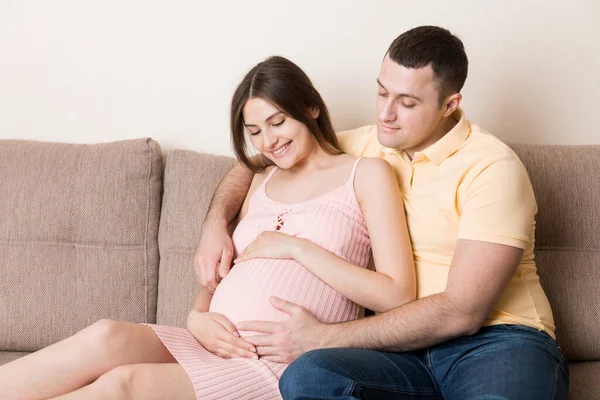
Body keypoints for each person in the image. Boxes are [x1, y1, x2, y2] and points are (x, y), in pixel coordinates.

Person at [0, 56, 416, 400]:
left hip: (273, 363)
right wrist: (197, 314)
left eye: (277, 122)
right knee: (104, 337)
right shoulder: (261, 179)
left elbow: (398, 293)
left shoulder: (366, 174)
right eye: (254, 132)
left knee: (123, 385)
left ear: (311, 108)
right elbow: (225, 274)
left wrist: (296, 248)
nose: (268, 141)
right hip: (207, 340)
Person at [194, 26, 570, 399]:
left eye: (407, 103)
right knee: (308, 378)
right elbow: (261, 157)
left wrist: (325, 337)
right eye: (381, 92)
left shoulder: (492, 166)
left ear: (449, 105)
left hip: (493, 341)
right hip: (396, 351)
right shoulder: (367, 143)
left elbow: (463, 311)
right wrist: (215, 223)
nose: (386, 114)